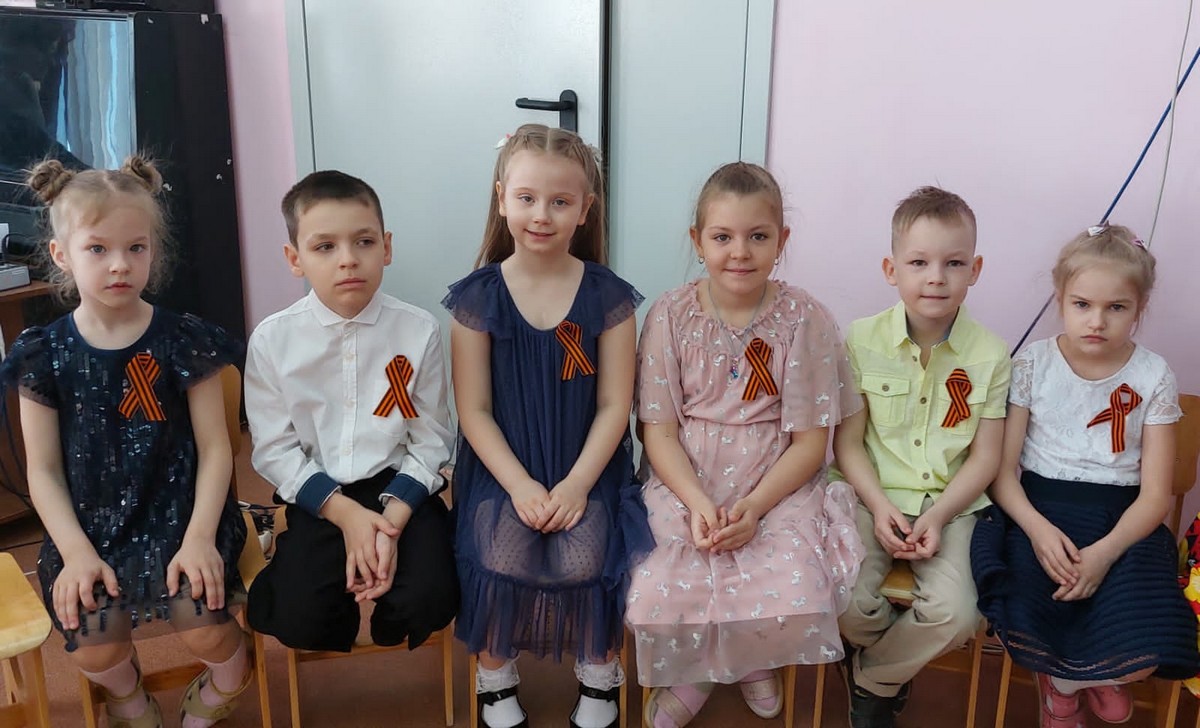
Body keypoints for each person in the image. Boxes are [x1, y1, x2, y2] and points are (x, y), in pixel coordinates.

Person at [0, 157, 248, 728]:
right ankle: (128, 698)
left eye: (136, 248)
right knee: (92, 639)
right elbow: (43, 471)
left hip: (183, 516)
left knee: (205, 623)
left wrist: (200, 538)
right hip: (90, 528)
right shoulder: (43, 354)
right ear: (61, 254)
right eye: (98, 249)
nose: (120, 264)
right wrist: (77, 553)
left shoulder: (184, 339)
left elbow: (217, 448)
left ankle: (230, 679)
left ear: (152, 251)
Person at [626, 161, 866, 728]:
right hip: (685, 478)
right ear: (698, 241)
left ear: (782, 240)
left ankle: (739, 662)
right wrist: (697, 503)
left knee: (793, 581)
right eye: (722, 237)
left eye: (758, 236)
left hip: (776, 482)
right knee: (654, 585)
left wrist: (755, 507)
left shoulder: (805, 319)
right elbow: (659, 430)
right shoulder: (669, 315)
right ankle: (713, 667)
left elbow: (810, 443)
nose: (740, 252)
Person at [444, 123, 653, 728]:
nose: (542, 214)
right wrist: (518, 485)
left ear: (585, 209)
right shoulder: (477, 299)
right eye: (527, 198)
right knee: (501, 552)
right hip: (503, 466)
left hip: (586, 464)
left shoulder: (608, 298)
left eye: (560, 201)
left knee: (586, 557)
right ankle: (495, 677)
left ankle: (599, 675)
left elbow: (615, 405)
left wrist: (578, 484)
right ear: (502, 197)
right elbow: (474, 411)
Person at [971, 224, 1200, 727]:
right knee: (1029, 601)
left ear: (1139, 308)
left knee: (1155, 638)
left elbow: (1155, 496)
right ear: (1061, 299)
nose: (1097, 321)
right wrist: (1038, 530)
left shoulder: (1153, 375)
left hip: (1124, 521)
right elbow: (1002, 475)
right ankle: (1069, 681)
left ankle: (1075, 679)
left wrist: (1105, 553)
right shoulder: (1033, 363)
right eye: (1082, 304)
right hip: (1037, 512)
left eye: (1116, 307)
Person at [244, 171, 458, 659]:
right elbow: (275, 449)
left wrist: (390, 523)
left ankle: (391, 610)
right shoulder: (273, 340)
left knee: (430, 598)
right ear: (294, 259)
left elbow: (431, 440)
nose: (347, 259)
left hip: (400, 489)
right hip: (320, 494)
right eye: (324, 247)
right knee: (300, 615)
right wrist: (347, 516)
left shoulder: (418, 330)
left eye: (363, 241)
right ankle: (313, 581)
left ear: (386, 247)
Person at [832, 186, 1010, 728]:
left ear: (975, 269)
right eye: (919, 263)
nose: (936, 277)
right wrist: (880, 505)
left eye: (953, 263)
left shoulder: (991, 354)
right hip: (871, 496)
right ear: (891, 269)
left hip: (952, 506)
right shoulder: (860, 339)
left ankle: (872, 678)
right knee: (841, 602)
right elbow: (848, 442)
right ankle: (888, 663)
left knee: (958, 616)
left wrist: (936, 515)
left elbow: (985, 459)